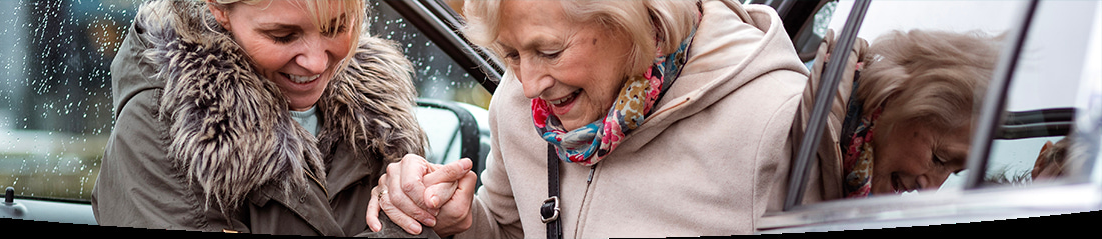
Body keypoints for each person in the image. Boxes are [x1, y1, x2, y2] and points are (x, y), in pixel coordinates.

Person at [367, 0, 810, 237]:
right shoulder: (519, 103)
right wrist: (454, 223)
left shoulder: (775, 119)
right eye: (510, 54)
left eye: (550, 51)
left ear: (634, 18)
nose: (528, 85)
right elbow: (510, 232)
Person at [91, 0, 431, 236]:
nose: (315, 62)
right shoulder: (164, 127)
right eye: (282, 35)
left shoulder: (377, 114)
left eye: (336, 27)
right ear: (219, 10)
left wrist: (434, 206)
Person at [801, 29, 1003, 200]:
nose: (932, 189)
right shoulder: (788, 125)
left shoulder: (850, 182)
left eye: (953, 173)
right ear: (898, 98)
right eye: (939, 159)